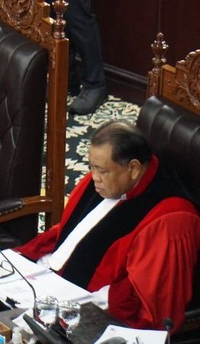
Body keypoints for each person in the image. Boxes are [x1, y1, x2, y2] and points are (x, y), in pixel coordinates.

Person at [16, 121, 200, 332]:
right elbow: (69, 234)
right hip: (55, 285)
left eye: (102, 171)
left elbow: (147, 302)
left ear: (133, 168)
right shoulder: (109, 180)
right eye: (91, 167)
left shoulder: (170, 220)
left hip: (92, 309)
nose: (94, 177)